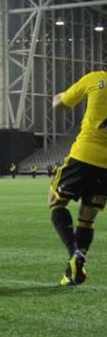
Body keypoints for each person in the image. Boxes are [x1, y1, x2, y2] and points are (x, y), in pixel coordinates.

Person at [49, 71, 107, 286]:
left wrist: (58, 96)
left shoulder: (97, 79)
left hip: (84, 155)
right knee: (87, 218)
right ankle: (71, 273)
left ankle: (74, 252)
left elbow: (60, 105)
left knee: (56, 202)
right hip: (106, 167)